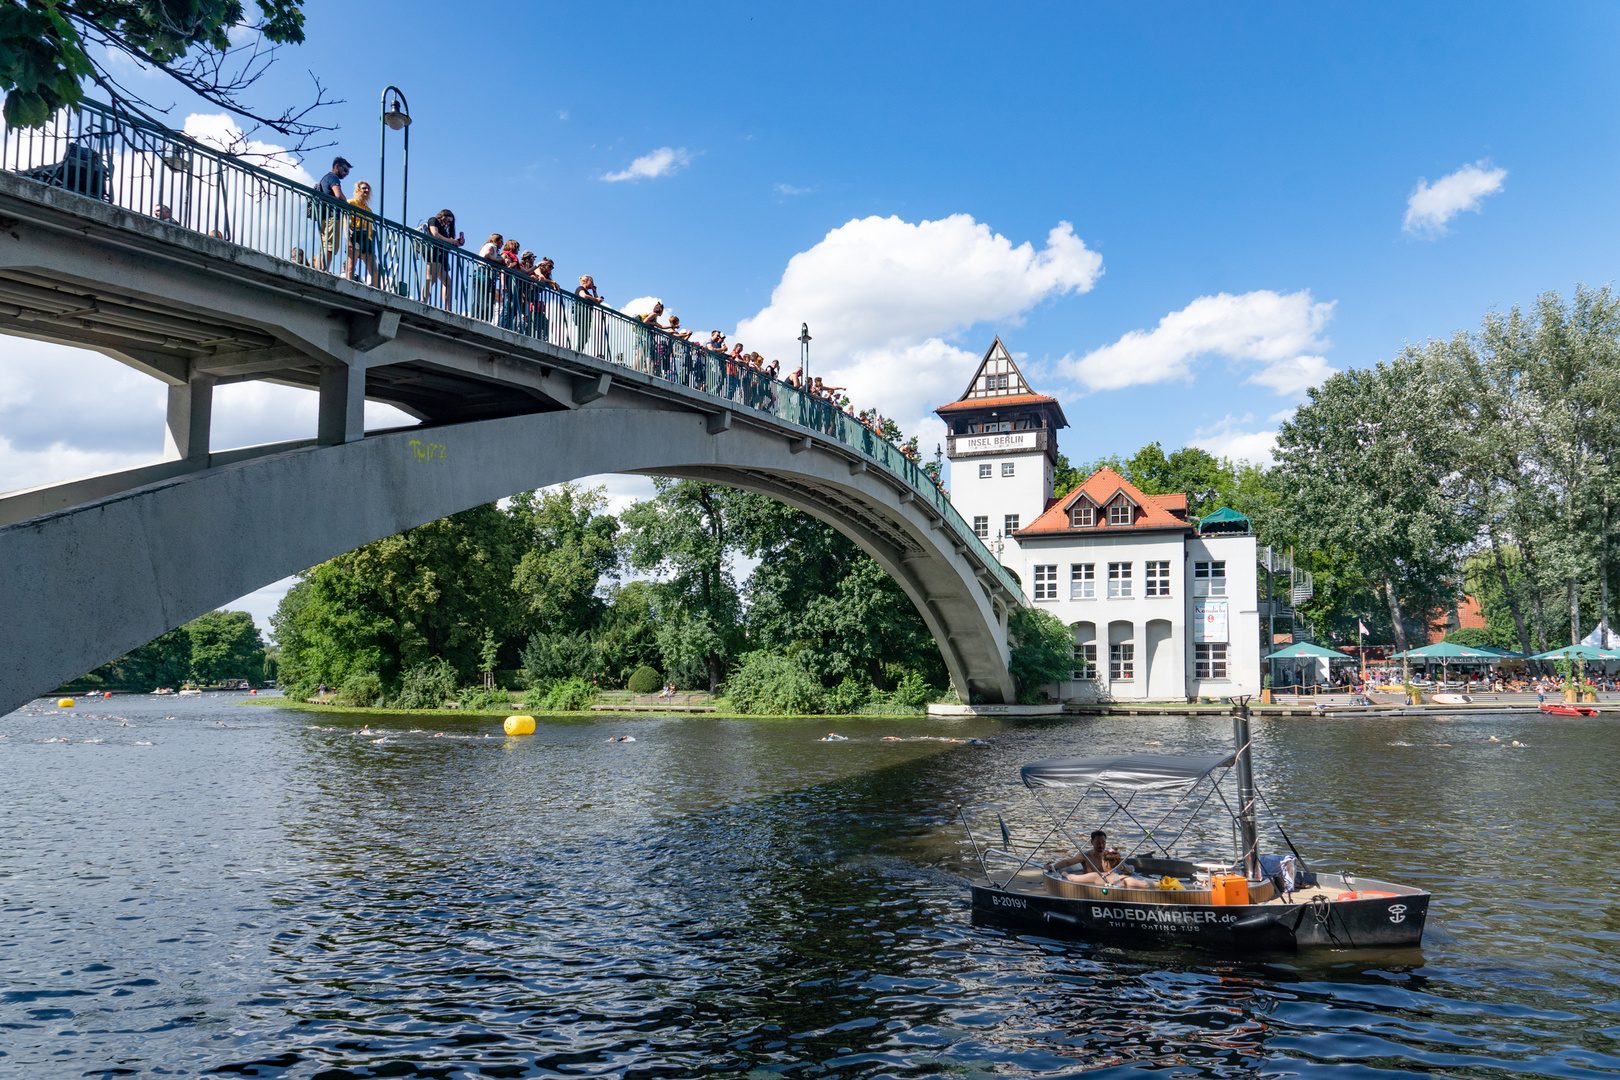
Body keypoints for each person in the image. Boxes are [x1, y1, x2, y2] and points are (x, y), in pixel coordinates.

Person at [1044, 830, 1151, 888]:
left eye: (1103, 843)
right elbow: (1068, 862)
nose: (1101, 845)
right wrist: (1053, 866)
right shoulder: (1086, 856)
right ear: (1092, 842)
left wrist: (1122, 867)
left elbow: (1130, 869)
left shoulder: (1109, 856)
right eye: (1098, 843)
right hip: (1091, 884)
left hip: (1111, 884)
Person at [421, 209, 465, 310]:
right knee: (431, 277)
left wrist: (456, 242)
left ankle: (448, 308)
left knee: (447, 282)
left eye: (450, 222)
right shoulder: (433, 220)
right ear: (443, 216)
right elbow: (434, 234)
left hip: (441, 255)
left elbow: (446, 240)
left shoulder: (445, 230)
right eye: (448, 221)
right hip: (433, 252)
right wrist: (449, 240)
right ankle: (423, 301)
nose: (448, 223)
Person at [313, 156, 351, 271]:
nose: (346, 174)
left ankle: (319, 269)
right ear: (337, 166)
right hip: (332, 217)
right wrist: (349, 206)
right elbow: (338, 195)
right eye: (345, 170)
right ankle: (323, 271)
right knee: (330, 246)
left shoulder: (325, 178)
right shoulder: (333, 178)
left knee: (325, 246)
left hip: (325, 217)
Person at [346, 181, 378, 287]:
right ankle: (348, 287)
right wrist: (348, 239)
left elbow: (370, 229)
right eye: (364, 188)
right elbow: (344, 221)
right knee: (351, 267)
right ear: (358, 190)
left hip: (367, 238)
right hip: (356, 234)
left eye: (368, 189)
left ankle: (375, 290)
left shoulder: (369, 210)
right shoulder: (351, 203)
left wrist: (372, 246)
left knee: (374, 270)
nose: (367, 190)